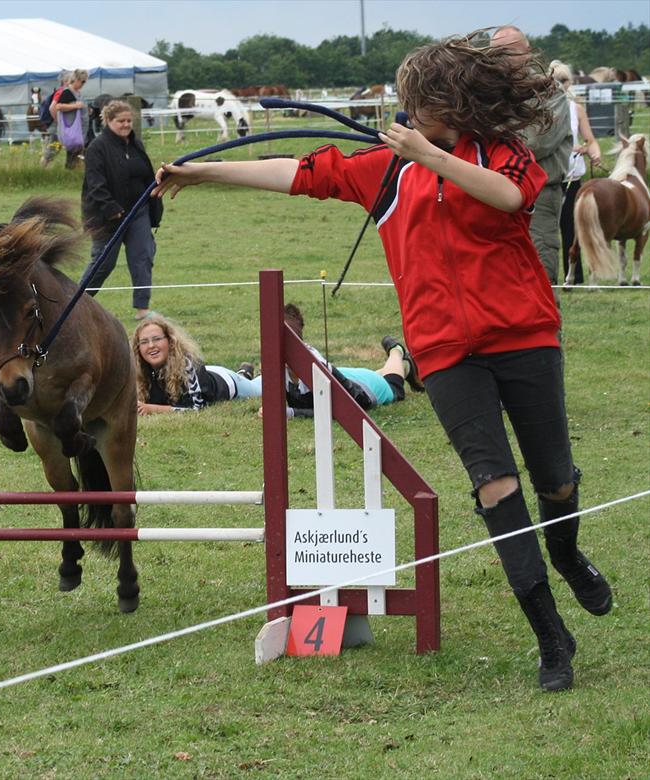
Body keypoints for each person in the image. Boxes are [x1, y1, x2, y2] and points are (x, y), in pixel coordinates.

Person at [153, 30, 611, 692]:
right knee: (494, 485)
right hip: (446, 352)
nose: (401, 110)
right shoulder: (387, 173)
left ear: (445, 105)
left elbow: (509, 199)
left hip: (523, 336)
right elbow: (296, 171)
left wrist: (428, 153)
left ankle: (567, 553)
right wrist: (204, 172)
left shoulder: (503, 155)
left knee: (555, 480)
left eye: (412, 101)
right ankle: (551, 639)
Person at [492, 25, 574, 289]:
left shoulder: (549, 93)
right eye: (494, 53)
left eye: (507, 52)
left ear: (527, 53)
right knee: (498, 275)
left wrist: (490, 132)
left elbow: (535, 142)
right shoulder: (489, 92)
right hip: (493, 192)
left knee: (539, 272)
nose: (498, 59)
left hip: (538, 194)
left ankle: (550, 332)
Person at [82, 99, 163, 321]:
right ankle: (78, 302)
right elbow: (95, 184)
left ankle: (142, 309)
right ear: (108, 121)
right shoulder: (97, 148)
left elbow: (147, 175)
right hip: (108, 216)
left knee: (143, 256)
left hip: (138, 211)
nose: (126, 125)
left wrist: (156, 197)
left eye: (129, 121)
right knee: (103, 262)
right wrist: (112, 209)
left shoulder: (136, 145)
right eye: (121, 121)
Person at [280, 303, 422, 418]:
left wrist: (293, 413)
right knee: (377, 376)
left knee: (394, 388)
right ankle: (400, 366)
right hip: (348, 375)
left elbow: (350, 407)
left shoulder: (316, 366)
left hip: (364, 389)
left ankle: (396, 351)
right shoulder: (279, 366)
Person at [132, 315, 261, 414]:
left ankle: (253, 376)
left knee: (264, 388)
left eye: (157, 339)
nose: (151, 346)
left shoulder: (188, 364)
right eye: (144, 342)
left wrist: (152, 409)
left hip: (226, 382)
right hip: (208, 373)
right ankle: (244, 373)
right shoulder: (136, 369)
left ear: (170, 341)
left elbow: (196, 409)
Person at [550, 61, 603, 286]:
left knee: (572, 226)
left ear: (569, 82)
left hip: (574, 174)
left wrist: (594, 153)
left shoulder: (576, 109)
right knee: (549, 229)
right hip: (553, 175)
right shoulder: (545, 107)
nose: (561, 85)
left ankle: (574, 276)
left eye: (564, 81)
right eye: (557, 81)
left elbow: (589, 138)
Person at [41, 69, 88, 170]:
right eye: (82, 81)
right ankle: (42, 169)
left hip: (70, 128)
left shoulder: (75, 92)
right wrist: (59, 122)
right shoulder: (63, 92)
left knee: (69, 149)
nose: (83, 84)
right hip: (64, 128)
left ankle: (72, 169)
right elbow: (54, 107)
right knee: (53, 149)